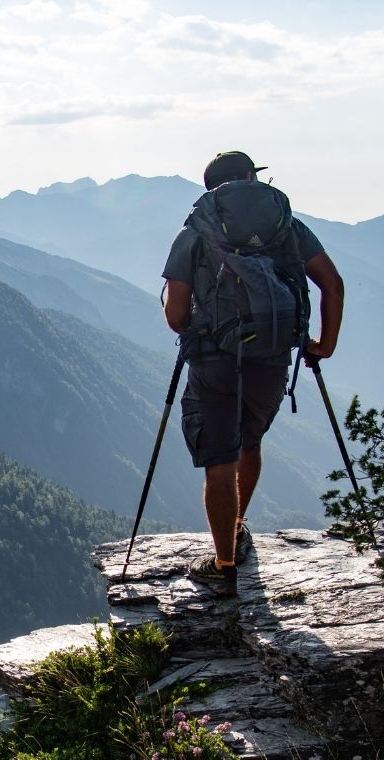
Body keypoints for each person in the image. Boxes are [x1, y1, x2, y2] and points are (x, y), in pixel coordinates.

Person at [161, 151, 344, 596]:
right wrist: (325, 344)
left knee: (219, 461)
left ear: (211, 188)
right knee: (250, 442)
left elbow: (177, 314)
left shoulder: (196, 232)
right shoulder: (286, 227)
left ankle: (224, 565)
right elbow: (332, 284)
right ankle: (239, 526)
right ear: (249, 178)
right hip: (273, 356)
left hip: (214, 360)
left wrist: (203, 329)